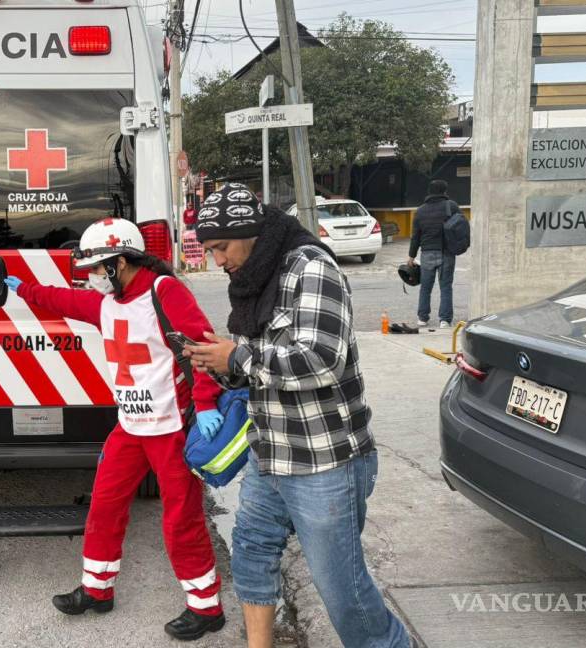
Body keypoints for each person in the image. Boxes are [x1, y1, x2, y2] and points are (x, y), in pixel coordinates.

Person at [183, 184, 412, 648]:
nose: (218, 261)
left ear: (249, 233)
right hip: (270, 453)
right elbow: (258, 369)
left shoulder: (311, 267)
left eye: (221, 248)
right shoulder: (253, 280)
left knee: (341, 589)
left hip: (325, 462)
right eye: (209, 251)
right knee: (249, 552)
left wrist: (239, 357)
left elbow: (321, 359)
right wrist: (220, 365)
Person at [3, 217, 228, 642]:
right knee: (104, 505)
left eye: (96, 269)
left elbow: (203, 347)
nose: (90, 278)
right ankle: (97, 590)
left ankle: (206, 607)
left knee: (181, 519)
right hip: (130, 429)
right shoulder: (108, 302)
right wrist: (24, 290)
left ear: (120, 262)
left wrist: (204, 404)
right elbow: (65, 302)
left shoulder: (164, 292)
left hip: (170, 429)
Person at [407, 179, 460, 329]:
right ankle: (445, 320)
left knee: (425, 287)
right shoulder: (452, 207)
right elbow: (461, 226)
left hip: (427, 253)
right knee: (446, 287)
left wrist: (411, 256)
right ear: (444, 191)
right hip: (447, 252)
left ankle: (422, 318)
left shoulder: (420, 211)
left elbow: (415, 236)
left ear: (429, 191)